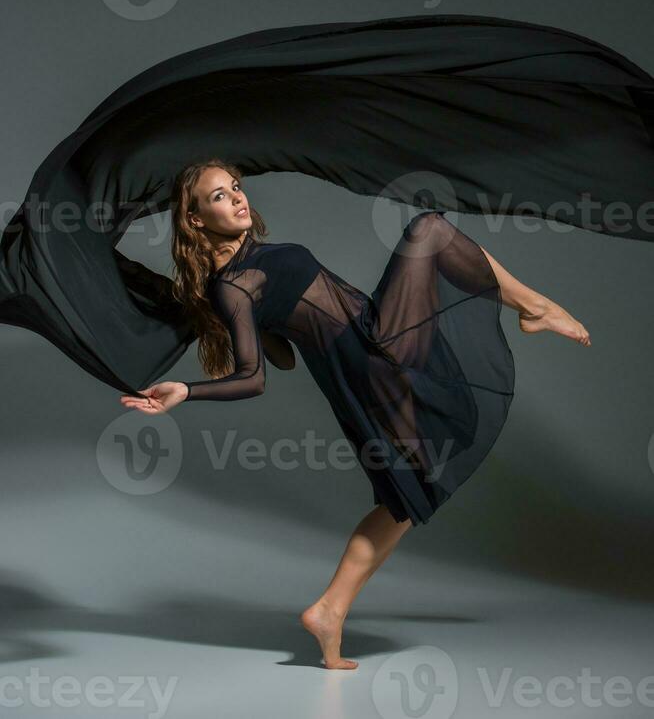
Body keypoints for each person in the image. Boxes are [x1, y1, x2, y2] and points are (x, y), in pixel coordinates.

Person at [120, 158, 591, 669]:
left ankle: (329, 610)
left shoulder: (250, 263)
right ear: (194, 220)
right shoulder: (233, 285)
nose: (237, 198)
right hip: (371, 344)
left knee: (406, 495)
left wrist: (267, 320)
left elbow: (284, 349)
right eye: (219, 196)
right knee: (429, 229)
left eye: (236, 187)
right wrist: (186, 391)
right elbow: (254, 376)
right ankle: (534, 307)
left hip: (370, 347)